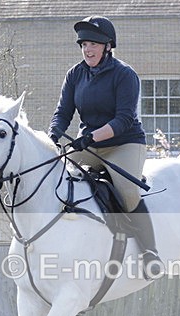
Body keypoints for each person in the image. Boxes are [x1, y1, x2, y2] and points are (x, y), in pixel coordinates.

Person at [48, 15, 161, 275]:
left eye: (94, 45)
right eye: (84, 44)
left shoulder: (125, 75)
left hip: (124, 143)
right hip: (88, 145)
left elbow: (124, 119)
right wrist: (53, 133)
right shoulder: (75, 74)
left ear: (108, 46)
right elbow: (63, 112)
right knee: (57, 178)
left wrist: (91, 137)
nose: (87, 50)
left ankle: (150, 252)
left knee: (128, 192)